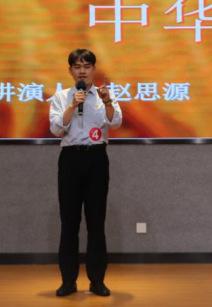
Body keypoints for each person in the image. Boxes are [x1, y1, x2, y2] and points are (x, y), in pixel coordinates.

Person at [49, 48, 122, 297]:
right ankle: (68, 281)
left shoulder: (104, 95)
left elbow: (115, 122)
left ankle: (97, 281)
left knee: (96, 222)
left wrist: (108, 101)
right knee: (69, 223)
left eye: (87, 66)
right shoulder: (62, 97)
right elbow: (56, 130)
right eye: (77, 66)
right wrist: (72, 106)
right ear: (70, 71)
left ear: (94, 69)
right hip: (70, 159)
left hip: (96, 158)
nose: (82, 71)